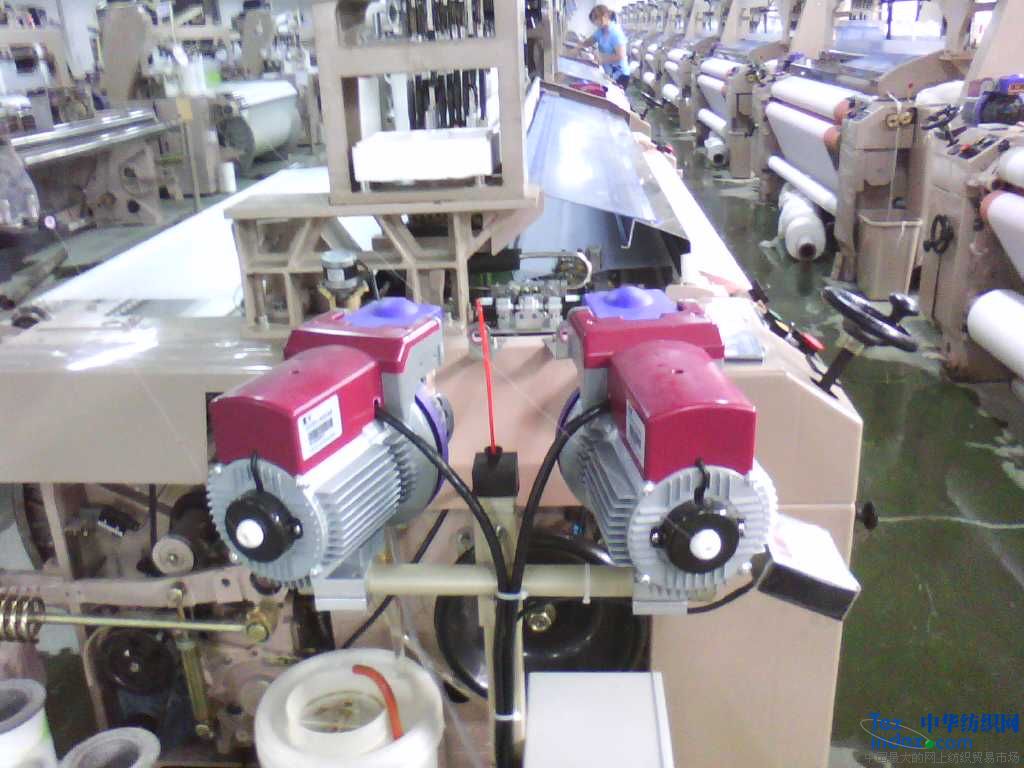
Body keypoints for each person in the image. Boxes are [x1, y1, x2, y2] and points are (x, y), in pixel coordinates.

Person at [581, 4, 631, 88]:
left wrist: (601, 58)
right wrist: (578, 47)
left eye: (595, 20)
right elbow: (588, 42)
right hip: (609, 73)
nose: (595, 24)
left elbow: (620, 56)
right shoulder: (601, 31)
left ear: (603, 17)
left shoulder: (615, 32)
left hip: (619, 75)